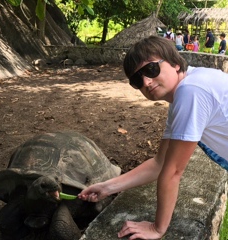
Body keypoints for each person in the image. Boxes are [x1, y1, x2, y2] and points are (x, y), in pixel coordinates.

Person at [78, 36, 228, 240]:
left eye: (151, 70)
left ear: (175, 63)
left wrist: (158, 228)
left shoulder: (191, 90)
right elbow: (159, 163)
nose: (146, 82)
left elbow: (173, 171)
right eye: (137, 80)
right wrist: (107, 187)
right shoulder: (183, 96)